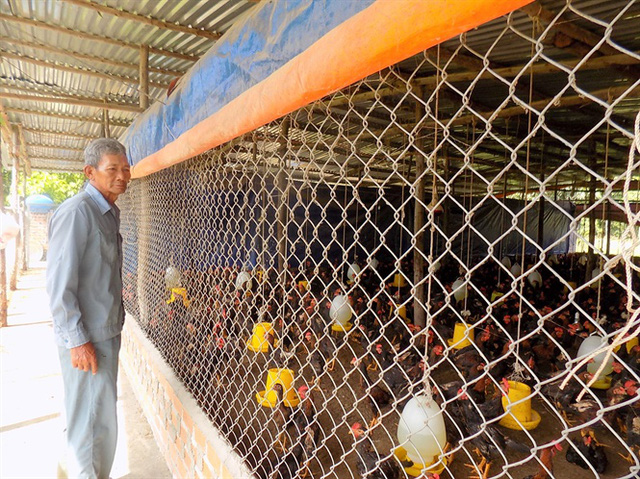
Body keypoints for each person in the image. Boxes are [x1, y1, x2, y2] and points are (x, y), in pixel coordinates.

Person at [47, 138, 131, 479]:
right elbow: (59, 285)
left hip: (103, 332)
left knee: (89, 415)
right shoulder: (78, 212)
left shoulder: (107, 213)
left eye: (126, 169)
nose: (122, 176)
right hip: (89, 337)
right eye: (112, 169)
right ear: (90, 172)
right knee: (94, 424)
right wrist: (77, 340)